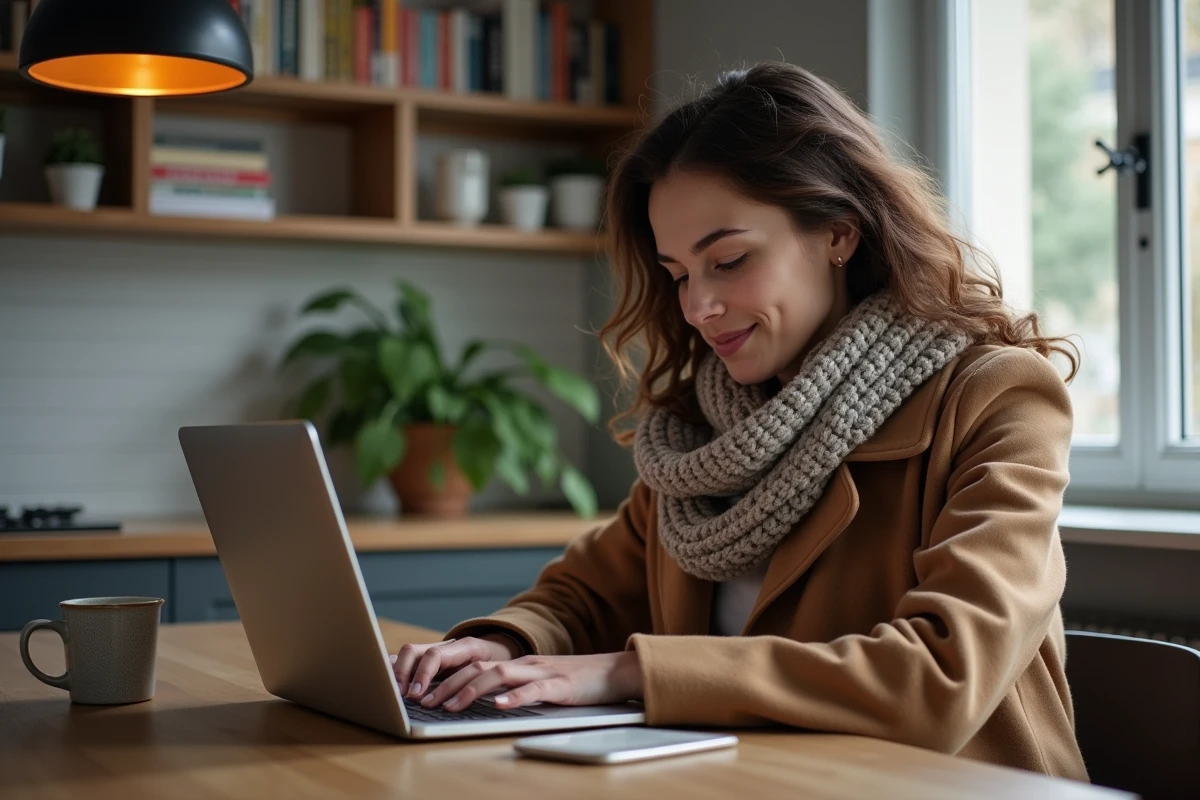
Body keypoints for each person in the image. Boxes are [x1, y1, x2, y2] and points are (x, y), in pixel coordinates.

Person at [392, 61, 1089, 782]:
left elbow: (941, 676)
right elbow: (586, 596)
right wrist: (500, 648)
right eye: (678, 274)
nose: (698, 307)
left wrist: (633, 672)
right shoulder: (706, 427)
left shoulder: (997, 398)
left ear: (839, 233)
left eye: (728, 260)